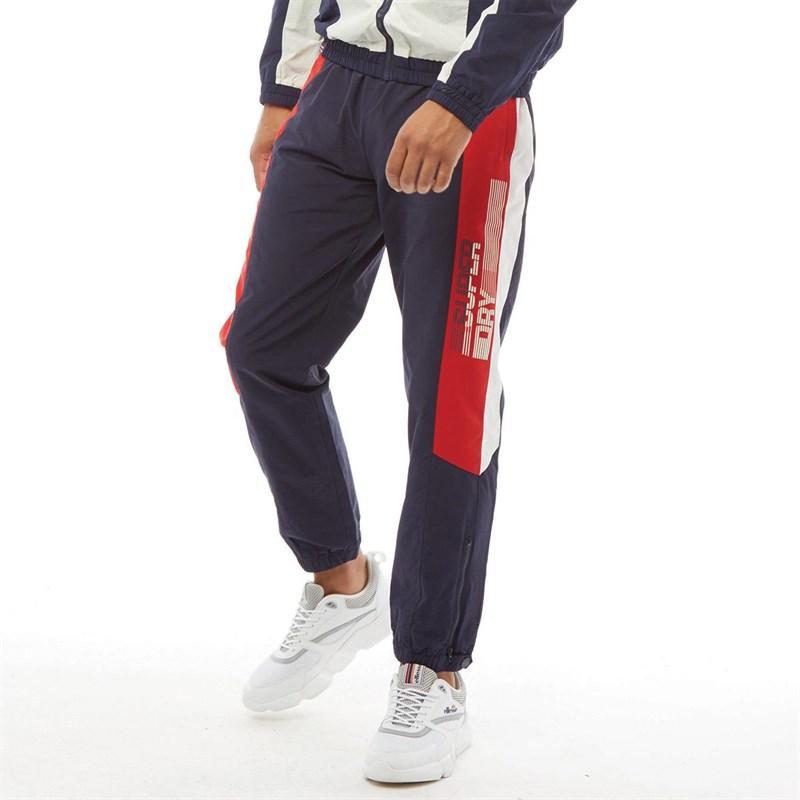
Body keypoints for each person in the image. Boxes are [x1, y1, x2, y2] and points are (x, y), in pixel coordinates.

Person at [220, 0, 578, 783]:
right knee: (262, 347)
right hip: (334, 87)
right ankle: (343, 583)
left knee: (452, 398)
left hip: (461, 103)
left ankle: (432, 670)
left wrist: (465, 98)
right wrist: (283, 88)